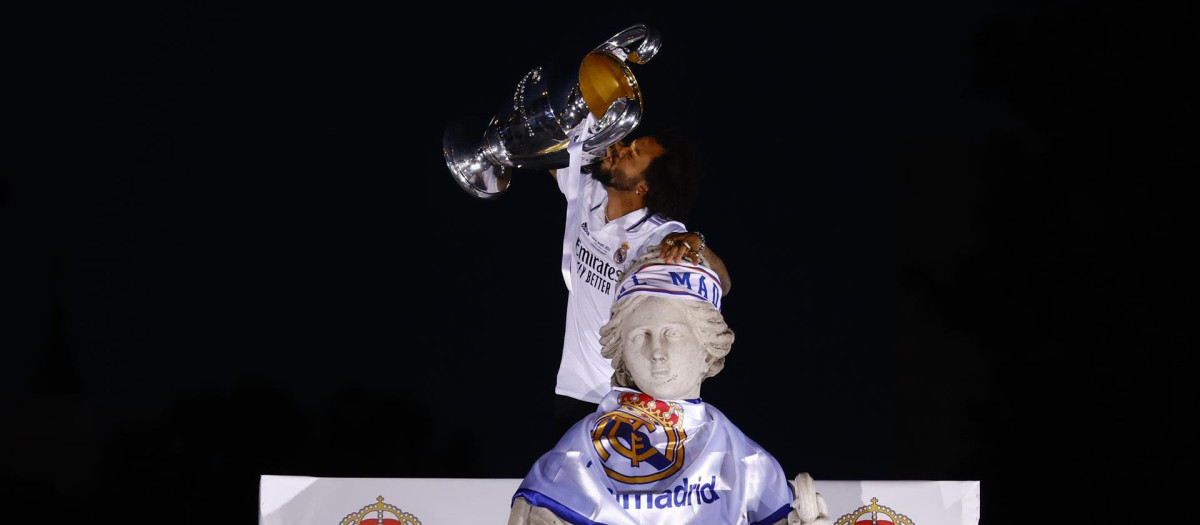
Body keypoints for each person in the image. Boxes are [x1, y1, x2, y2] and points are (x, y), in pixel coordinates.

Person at [509, 250, 826, 525]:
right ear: (624, 355)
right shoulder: (581, 450)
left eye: (671, 333)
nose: (656, 351)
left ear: (707, 348)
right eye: (639, 337)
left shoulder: (743, 460)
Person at [551, 129, 731, 426]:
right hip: (574, 389)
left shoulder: (660, 236)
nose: (619, 149)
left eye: (632, 153)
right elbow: (547, 152)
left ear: (643, 186)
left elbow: (722, 284)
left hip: (631, 398)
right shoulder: (590, 194)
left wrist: (698, 242)